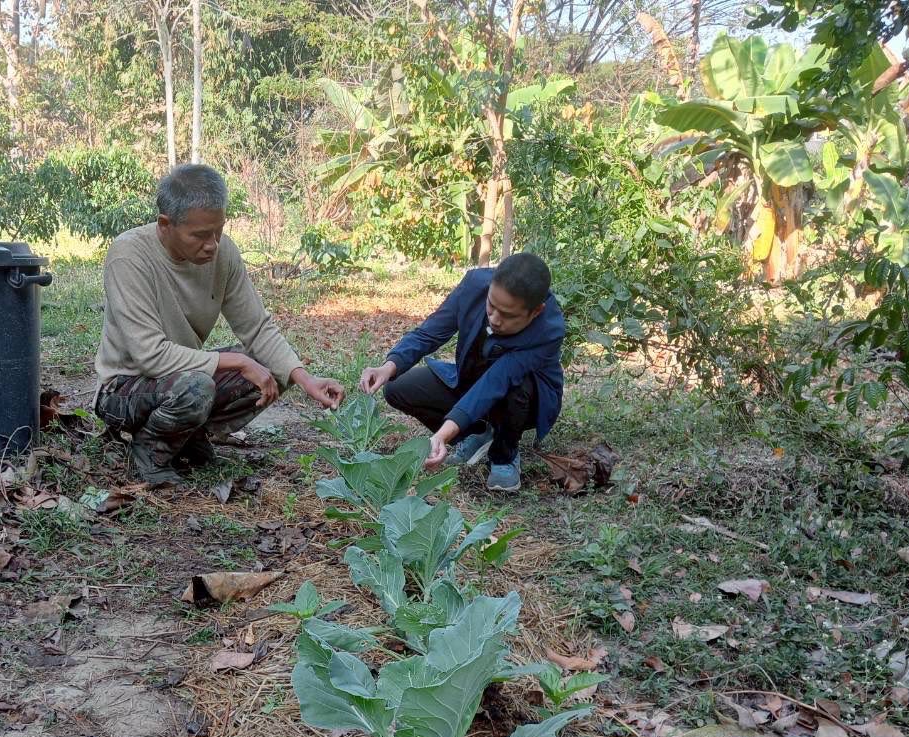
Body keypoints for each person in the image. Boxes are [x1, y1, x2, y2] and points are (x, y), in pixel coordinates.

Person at [94, 164, 345, 484]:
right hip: (122, 388)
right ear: (165, 224)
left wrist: (305, 379)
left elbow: (256, 327)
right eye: (199, 235)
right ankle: (150, 450)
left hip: (181, 379)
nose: (212, 244)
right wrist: (237, 361)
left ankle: (185, 435)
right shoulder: (130, 255)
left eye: (218, 230)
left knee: (271, 365)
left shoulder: (222, 253)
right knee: (198, 386)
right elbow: (150, 355)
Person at [359, 253, 564, 493]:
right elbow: (430, 332)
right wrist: (388, 366)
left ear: (536, 311)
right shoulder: (474, 285)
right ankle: (477, 433)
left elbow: (496, 381)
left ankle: (504, 454)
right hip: (471, 380)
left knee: (516, 387)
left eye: (508, 315)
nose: (495, 319)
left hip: (524, 399)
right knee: (397, 388)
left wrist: (442, 435)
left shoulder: (549, 330)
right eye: (491, 306)